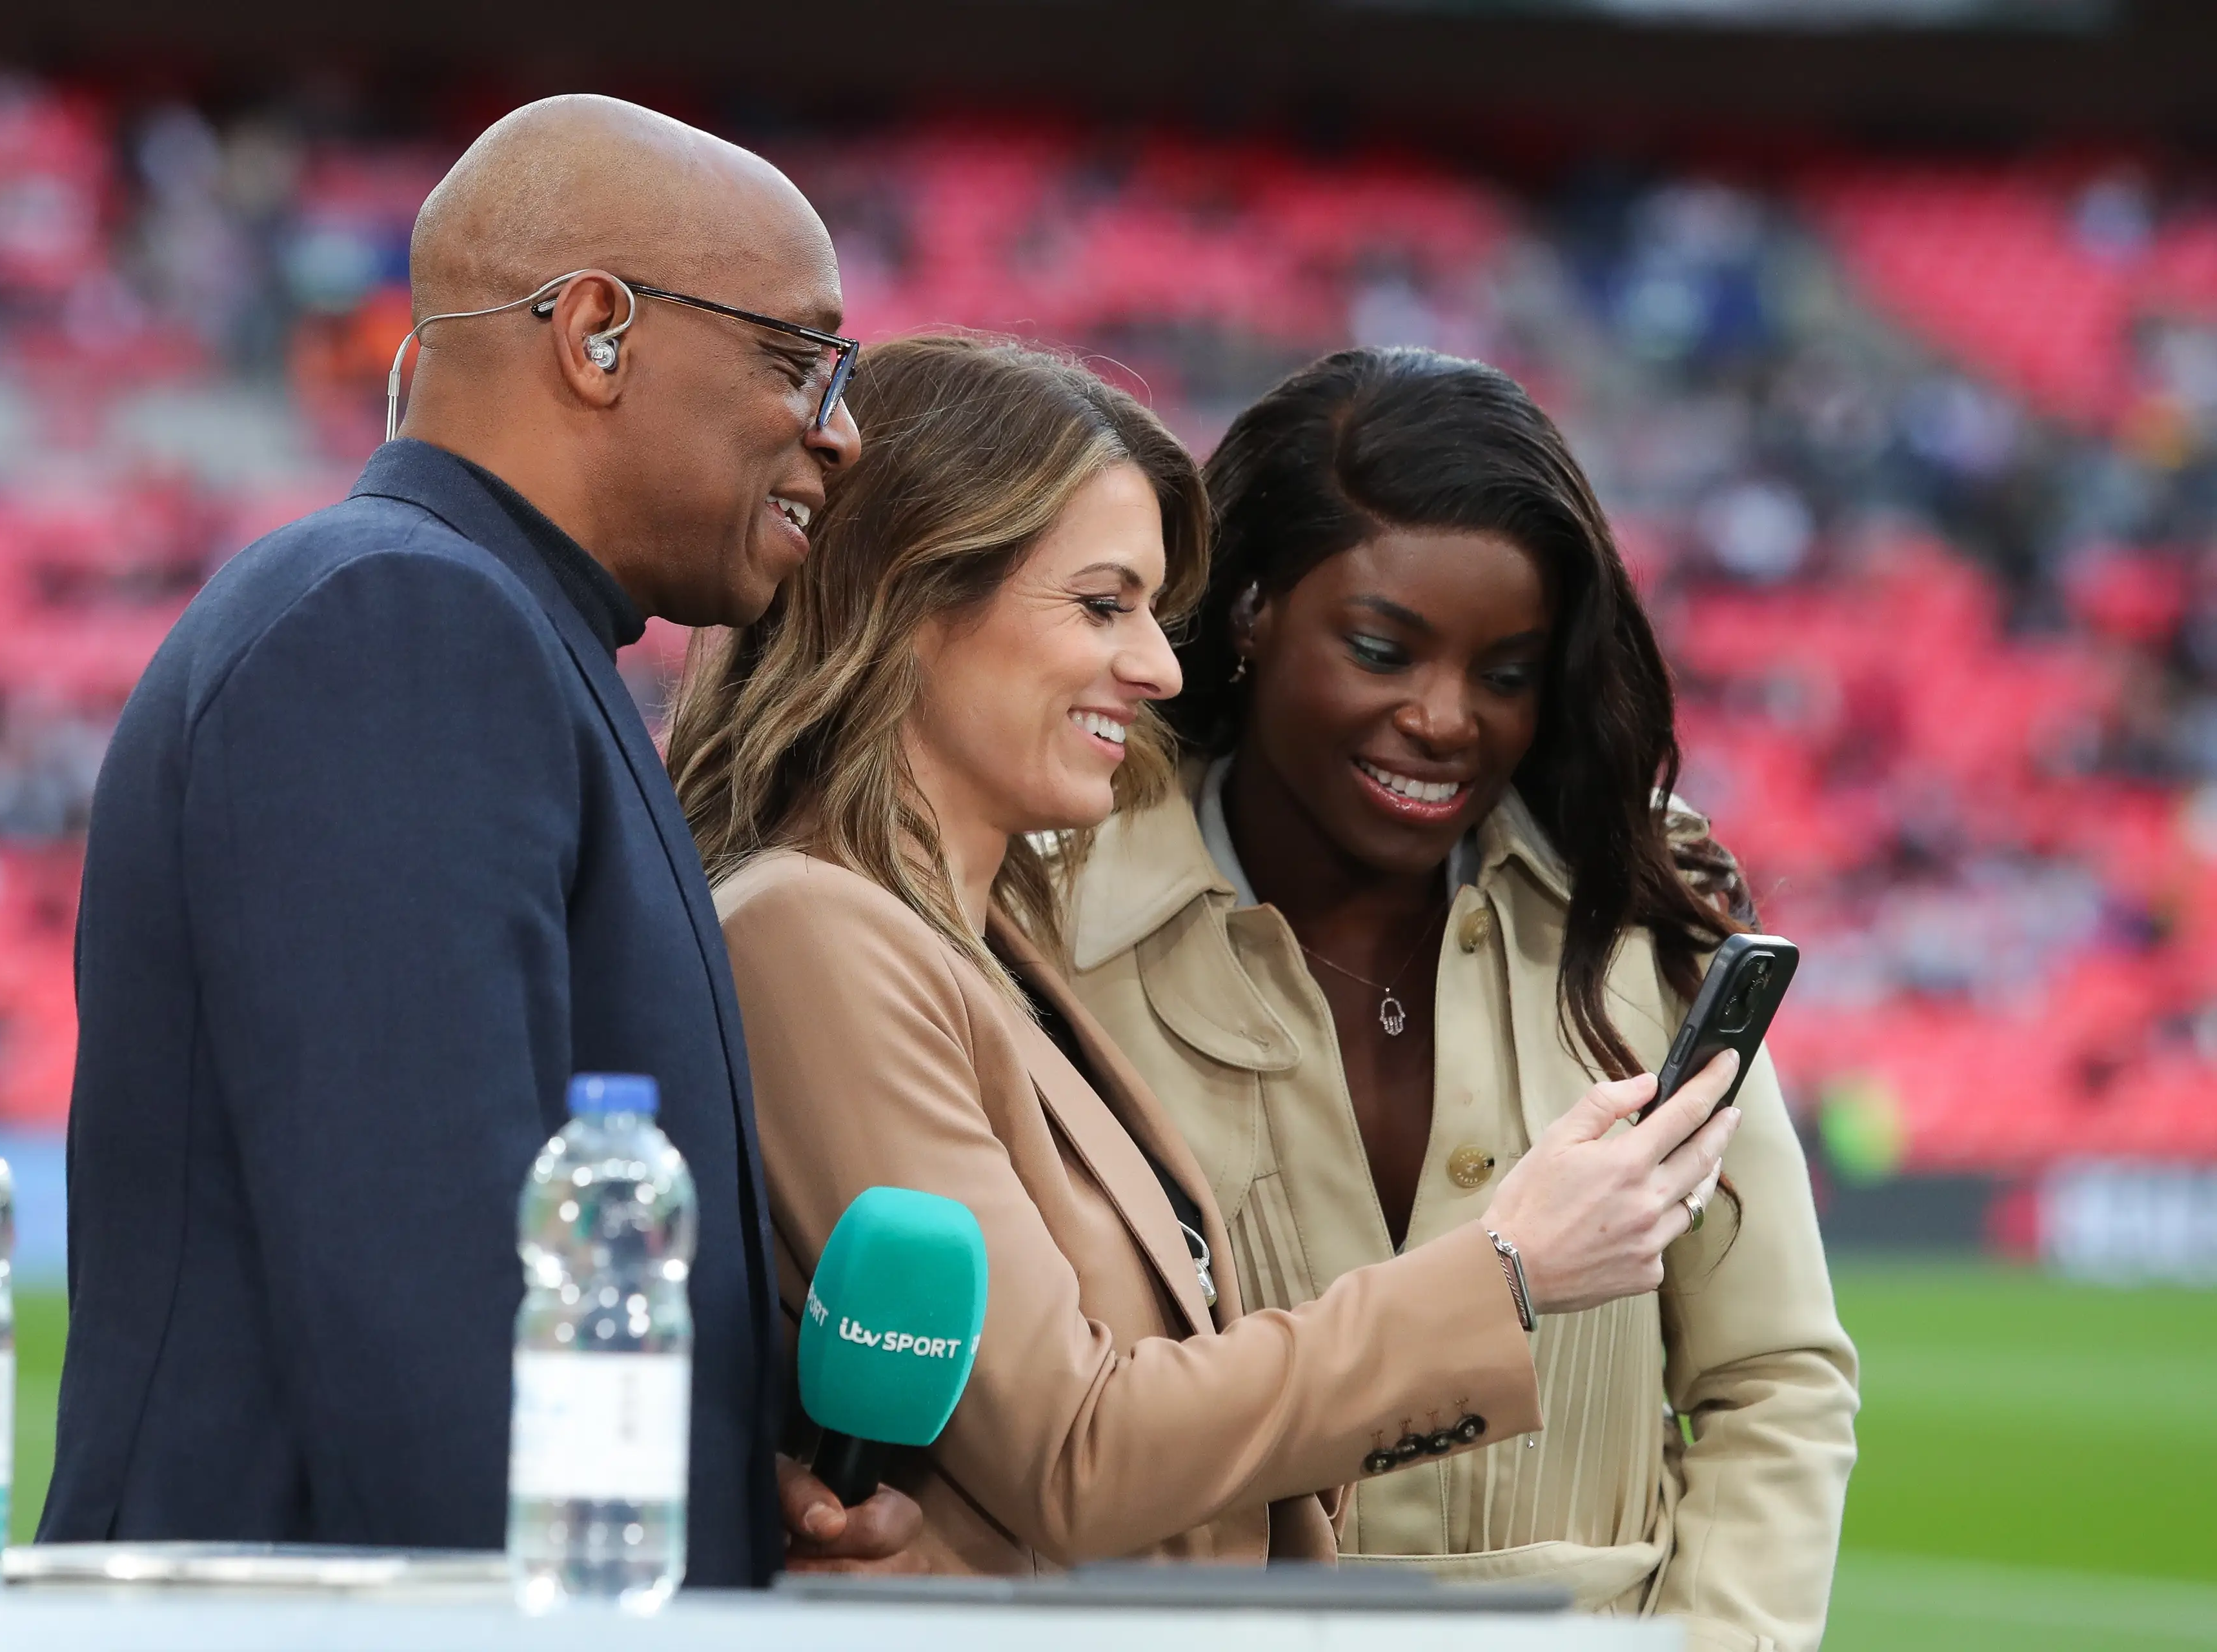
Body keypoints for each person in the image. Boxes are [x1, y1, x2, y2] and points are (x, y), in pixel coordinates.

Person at [665, 335, 1743, 1571]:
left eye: (1156, 613)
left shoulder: (976, 939)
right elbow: (1080, 1457)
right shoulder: (816, 929)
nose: (1159, 666)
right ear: (912, 598)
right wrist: (1509, 1271)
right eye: (1103, 604)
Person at [39, 96, 918, 1582]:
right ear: (596, 333)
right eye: (798, 360)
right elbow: (429, 1306)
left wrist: (713, 1476)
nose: (841, 433)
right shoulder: (401, 622)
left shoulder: (494, 625)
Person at [1066, 347, 1858, 1646]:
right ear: (1253, 610)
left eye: (1507, 673)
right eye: (1383, 648)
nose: (1446, 720)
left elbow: (1774, 1372)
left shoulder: (1644, 908)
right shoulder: (1050, 918)